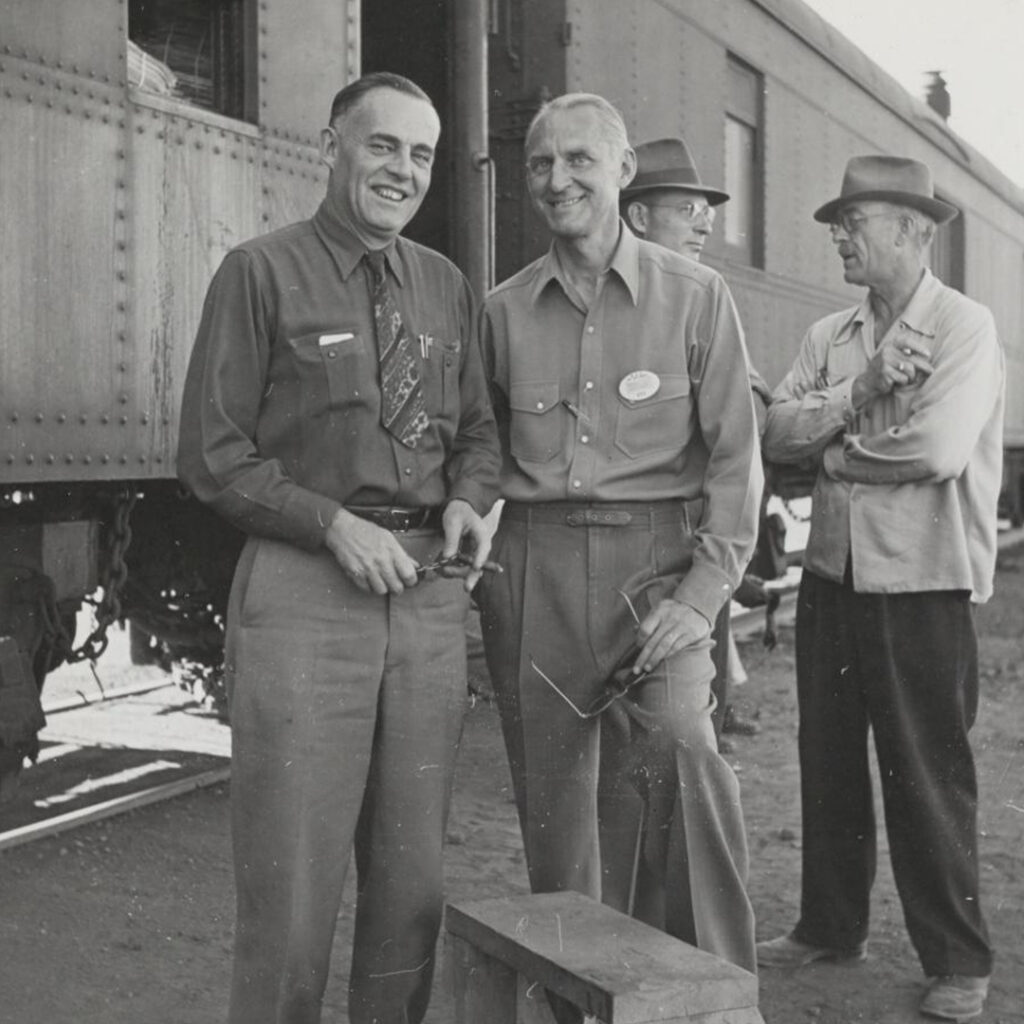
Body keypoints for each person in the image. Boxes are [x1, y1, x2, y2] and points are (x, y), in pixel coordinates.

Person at [177, 72, 500, 1024]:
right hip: (307, 593)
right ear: (331, 145)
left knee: (411, 887)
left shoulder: (444, 287)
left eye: (421, 154)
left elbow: (478, 433)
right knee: (291, 889)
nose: (402, 169)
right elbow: (210, 454)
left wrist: (471, 504)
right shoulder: (259, 271)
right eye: (382, 145)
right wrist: (330, 524)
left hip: (428, 603)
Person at [475, 93, 764, 994]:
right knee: (558, 810)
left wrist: (700, 600)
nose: (558, 181)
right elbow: (479, 459)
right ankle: (581, 1005)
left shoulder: (697, 297)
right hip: (538, 571)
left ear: (623, 171)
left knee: (681, 747)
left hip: (659, 573)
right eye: (539, 166)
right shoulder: (503, 311)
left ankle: (717, 994)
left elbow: (734, 463)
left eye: (579, 162)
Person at [757, 155, 1003, 1022]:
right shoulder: (832, 338)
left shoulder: (965, 329)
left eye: (853, 222)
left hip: (923, 587)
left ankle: (958, 959)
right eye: (840, 221)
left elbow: (937, 452)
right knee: (827, 763)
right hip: (832, 579)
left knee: (927, 774)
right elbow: (773, 433)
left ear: (912, 230)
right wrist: (856, 394)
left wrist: (834, 455)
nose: (838, 236)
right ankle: (831, 924)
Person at [620, 135, 769, 745]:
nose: (705, 224)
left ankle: (715, 715)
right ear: (637, 217)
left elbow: (753, 409)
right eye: (686, 210)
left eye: (704, 211)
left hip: (697, 531)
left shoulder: (705, 298)